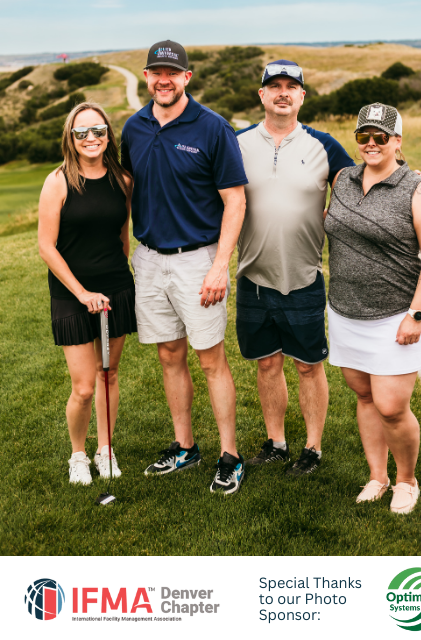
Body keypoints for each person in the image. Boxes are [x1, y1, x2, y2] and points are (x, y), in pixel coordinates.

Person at [121, 40, 248, 494]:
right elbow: (128, 189)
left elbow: (235, 201)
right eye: (155, 72)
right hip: (150, 261)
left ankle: (230, 455)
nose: (163, 80)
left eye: (171, 73)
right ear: (147, 76)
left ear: (187, 78)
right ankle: (185, 447)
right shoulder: (134, 128)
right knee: (168, 356)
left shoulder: (213, 128)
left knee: (211, 359)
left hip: (198, 261)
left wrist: (219, 266)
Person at [324, 102, 421, 513]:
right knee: (364, 397)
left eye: (381, 136)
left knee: (392, 406)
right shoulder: (342, 178)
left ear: (397, 141)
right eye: (364, 136)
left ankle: (406, 481)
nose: (372, 144)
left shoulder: (419, 188)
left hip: (396, 316)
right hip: (344, 311)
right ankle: (377, 476)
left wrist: (416, 314)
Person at [235, 60, 355, 475]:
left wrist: (414, 182)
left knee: (308, 366)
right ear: (262, 95)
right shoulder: (237, 144)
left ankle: (313, 448)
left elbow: (365, 184)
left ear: (302, 96)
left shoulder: (324, 146)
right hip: (252, 276)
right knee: (267, 363)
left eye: (291, 86)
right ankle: (276, 443)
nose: (283, 92)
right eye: (275, 86)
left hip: (304, 276)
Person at [38, 102, 136, 485]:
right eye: (82, 133)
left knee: (107, 374)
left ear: (108, 134)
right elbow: (47, 247)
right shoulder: (58, 181)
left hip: (114, 290)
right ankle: (78, 455)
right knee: (82, 386)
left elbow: (122, 236)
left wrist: (117, 281)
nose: (91, 138)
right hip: (71, 294)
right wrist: (81, 292)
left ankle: (105, 448)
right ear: (71, 138)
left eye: (98, 131)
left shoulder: (123, 180)